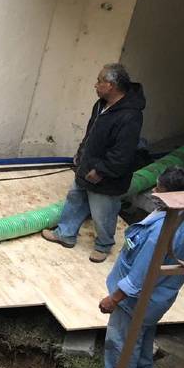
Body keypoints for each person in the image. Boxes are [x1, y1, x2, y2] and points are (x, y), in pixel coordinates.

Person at [83, 167, 184, 368]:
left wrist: (114, 299)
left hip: (137, 299)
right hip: (162, 294)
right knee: (143, 332)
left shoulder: (161, 232)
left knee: (120, 342)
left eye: (159, 189)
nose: (154, 191)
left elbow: (140, 275)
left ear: (173, 195)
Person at [42, 63, 146, 263]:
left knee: (102, 213)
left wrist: (101, 170)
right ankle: (65, 234)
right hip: (87, 167)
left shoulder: (130, 116)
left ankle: (103, 245)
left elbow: (122, 153)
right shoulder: (101, 105)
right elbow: (91, 133)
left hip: (106, 177)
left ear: (111, 85)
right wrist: (81, 152)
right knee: (75, 198)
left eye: (99, 81)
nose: (95, 85)